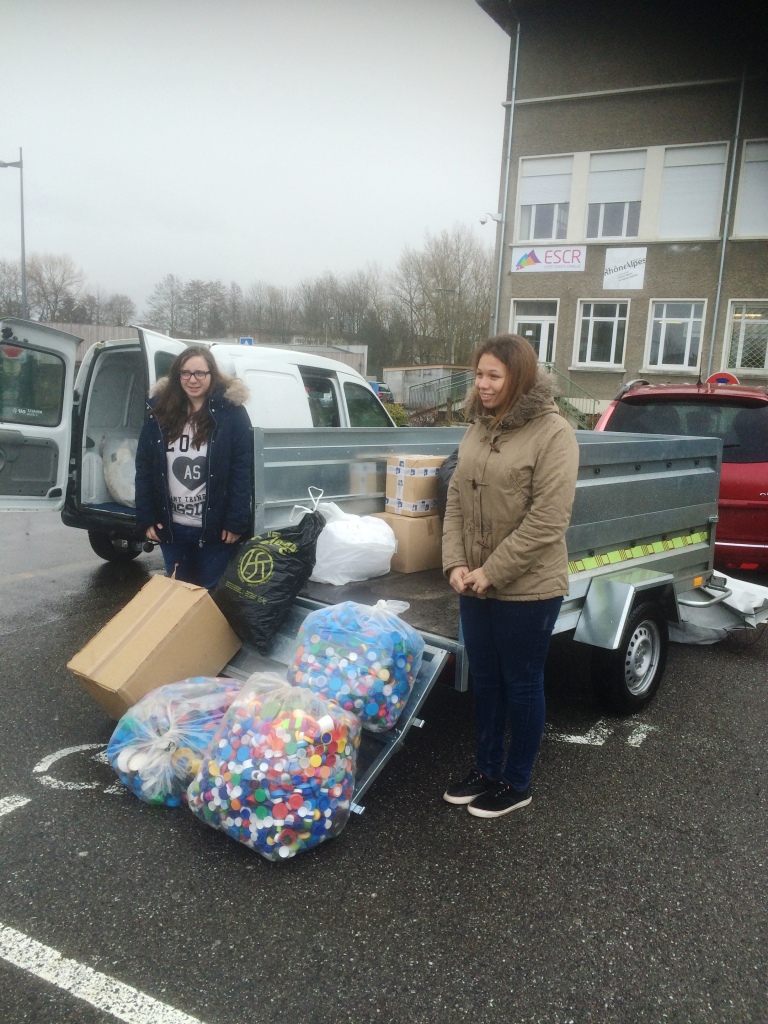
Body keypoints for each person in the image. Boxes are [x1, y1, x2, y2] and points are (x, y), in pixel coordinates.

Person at [441, 334, 579, 819]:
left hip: (528, 586)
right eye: (478, 374)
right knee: (485, 680)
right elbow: (455, 496)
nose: (482, 384)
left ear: (517, 378)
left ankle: (516, 781)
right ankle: (485, 770)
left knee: (520, 682)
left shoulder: (553, 433)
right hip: (474, 582)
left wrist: (492, 571)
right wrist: (455, 562)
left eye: (493, 376)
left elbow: (549, 519)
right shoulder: (478, 427)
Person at [135, 346, 254, 590]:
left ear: (212, 375)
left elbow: (242, 470)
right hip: (172, 528)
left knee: (209, 595)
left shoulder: (232, 413)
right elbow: (145, 466)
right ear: (177, 375)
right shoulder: (159, 411)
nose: (192, 380)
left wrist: (235, 522)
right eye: (186, 373)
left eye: (200, 373)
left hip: (215, 530)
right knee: (178, 594)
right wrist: (147, 517)